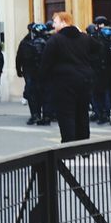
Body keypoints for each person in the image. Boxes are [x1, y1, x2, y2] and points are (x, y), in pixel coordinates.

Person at [39, 12, 94, 142]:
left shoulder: (55, 40)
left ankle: (68, 145)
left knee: (66, 114)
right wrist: (88, 67)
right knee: (82, 113)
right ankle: (83, 145)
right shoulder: (85, 38)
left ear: (64, 22)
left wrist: (43, 80)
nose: (53, 25)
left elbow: (45, 63)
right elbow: (99, 49)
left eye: (55, 22)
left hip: (63, 82)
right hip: (84, 80)